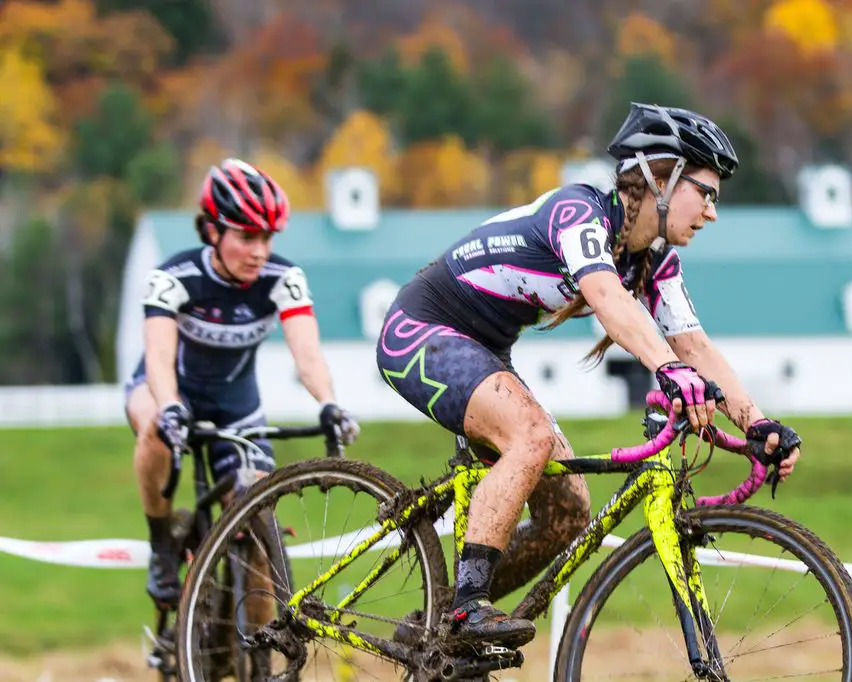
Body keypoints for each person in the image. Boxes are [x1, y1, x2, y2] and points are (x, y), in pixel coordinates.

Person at [375, 103, 802, 647]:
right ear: (660, 178)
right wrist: (667, 369)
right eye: (707, 193)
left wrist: (757, 423)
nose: (712, 212)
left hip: (485, 351)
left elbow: (693, 344)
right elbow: (604, 296)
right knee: (528, 436)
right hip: (422, 330)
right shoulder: (578, 213)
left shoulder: (654, 260)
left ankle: (438, 623)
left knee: (569, 514)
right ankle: (466, 610)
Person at [125, 158, 360, 609]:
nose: (259, 251)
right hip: (167, 388)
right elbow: (157, 356)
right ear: (212, 231)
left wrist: (330, 403)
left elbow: (306, 354)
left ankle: (260, 653)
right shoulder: (174, 278)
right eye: (247, 237)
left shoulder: (282, 279)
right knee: (156, 424)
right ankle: (161, 543)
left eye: (268, 238)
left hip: (236, 405)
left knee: (258, 517)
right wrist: (171, 405)